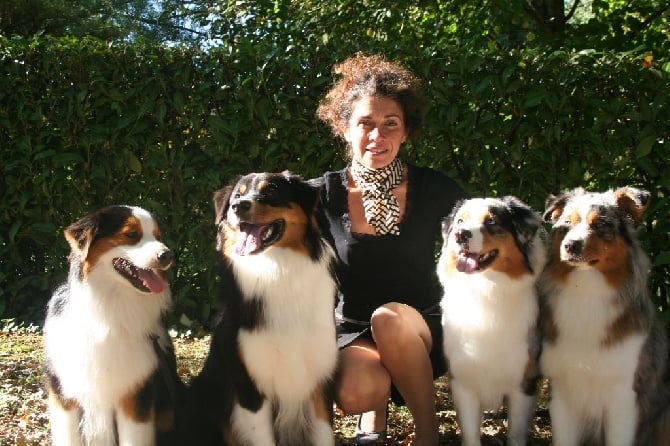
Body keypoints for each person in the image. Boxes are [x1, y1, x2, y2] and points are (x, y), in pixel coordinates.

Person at [313, 53, 467, 446]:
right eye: (365, 123)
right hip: (353, 328)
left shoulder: (436, 189)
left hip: (421, 326)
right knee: (354, 392)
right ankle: (373, 410)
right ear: (345, 128)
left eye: (390, 124)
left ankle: (428, 434)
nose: (377, 137)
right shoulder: (320, 195)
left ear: (406, 131)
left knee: (389, 319)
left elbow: (482, 239)